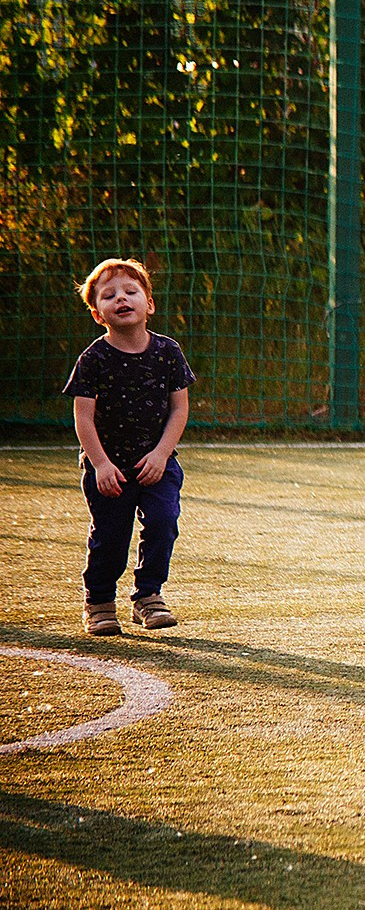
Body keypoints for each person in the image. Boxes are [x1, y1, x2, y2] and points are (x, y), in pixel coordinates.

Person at [63, 258, 196, 637]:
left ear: (149, 304)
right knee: (111, 533)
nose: (121, 298)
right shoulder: (93, 359)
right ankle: (100, 601)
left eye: (130, 291)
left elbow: (179, 408)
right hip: (110, 468)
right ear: (97, 313)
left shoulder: (168, 352)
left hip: (157, 463)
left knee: (162, 522)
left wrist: (161, 454)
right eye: (109, 295)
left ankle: (148, 596)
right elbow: (84, 418)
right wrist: (100, 464)